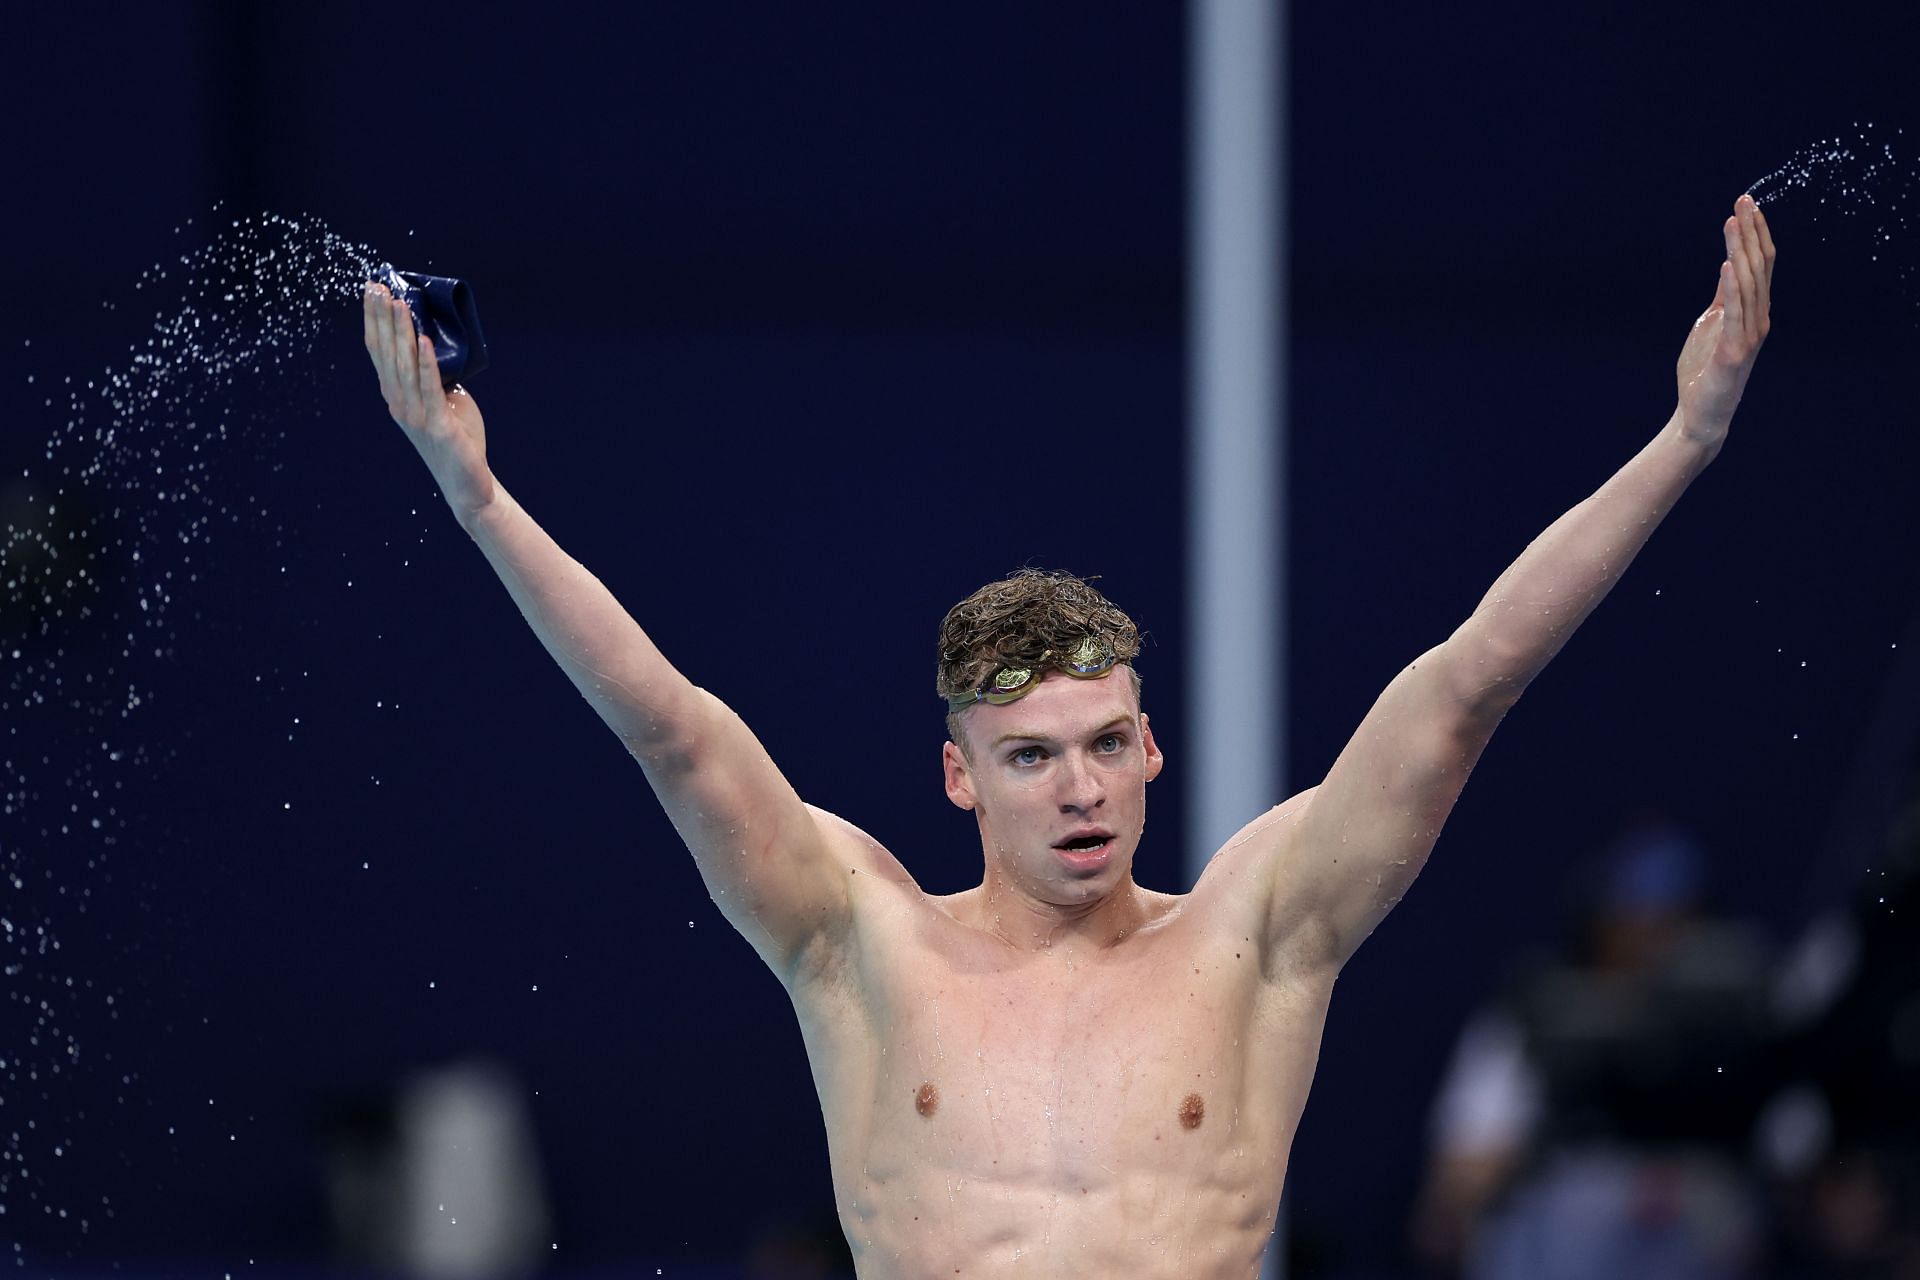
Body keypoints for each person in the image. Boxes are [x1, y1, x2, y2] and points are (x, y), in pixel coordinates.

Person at [362, 194, 1775, 1278]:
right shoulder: (859, 940)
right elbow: (670, 728)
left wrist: (1686, 442)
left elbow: (1470, 682)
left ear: (1155, 750)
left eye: (1108, 743)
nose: (1081, 789)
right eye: (1032, 757)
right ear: (958, 778)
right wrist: (478, 497)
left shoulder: (1259, 929)